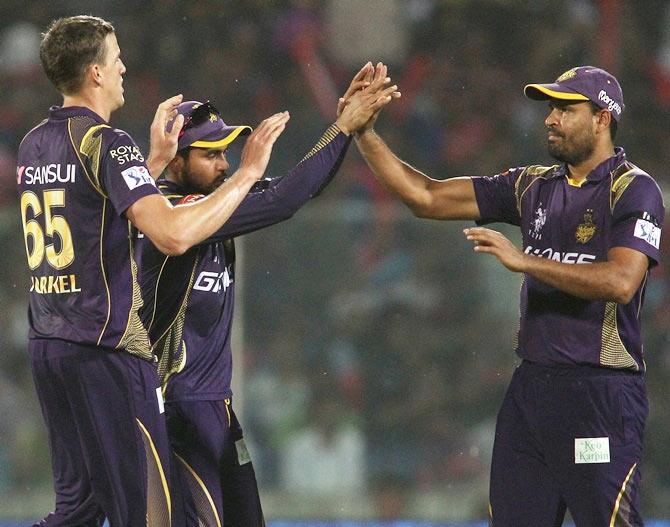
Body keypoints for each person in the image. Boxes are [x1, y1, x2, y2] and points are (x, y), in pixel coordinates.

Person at [352, 65, 663, 525]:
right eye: (550, 107)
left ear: (602, 118)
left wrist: (526, 261)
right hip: (531, 391)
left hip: (600, 392)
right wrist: (364, 135)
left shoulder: (634, 189)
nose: (550, 118)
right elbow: (427, 197)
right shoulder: (531, 184)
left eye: (565, 108)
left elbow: (622, 281)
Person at [17, 15, 288, 526]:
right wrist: (247, 174)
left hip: (50, 344)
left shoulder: (35, 143)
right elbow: (172, 233)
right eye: (115, 57)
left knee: (76, 510)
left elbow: (89, 212)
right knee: (147, 516)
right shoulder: (106, 141)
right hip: (107, 350)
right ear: (95, 72)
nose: (123, 67)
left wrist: (155, 164)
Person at [137, 62, 399, 525]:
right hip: (176, 410)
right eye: (210, 154)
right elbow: (283, 199)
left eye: (226, 153)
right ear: (177, 160)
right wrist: (339, 127)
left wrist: (344, 128)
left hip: (215, 406)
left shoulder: (213, 204)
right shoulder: (173, 211)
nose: (224, 165)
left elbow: (298, 189)